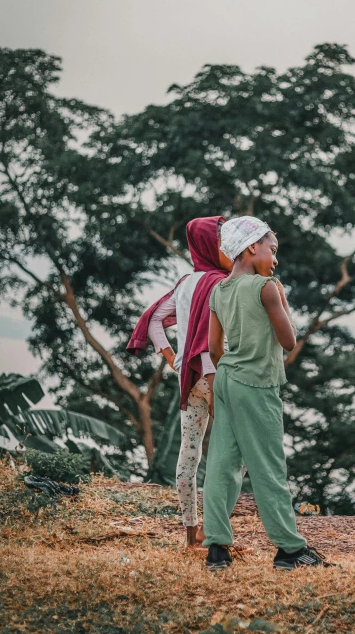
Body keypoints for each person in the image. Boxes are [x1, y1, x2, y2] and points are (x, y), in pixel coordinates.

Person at [203, 216, 333, 570]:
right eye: (271, 250)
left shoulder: (219, 290)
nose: (275, 259)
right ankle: (290, 550)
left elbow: (214, 349)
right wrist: (282, 299)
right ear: (250, 248)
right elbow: (289, 342)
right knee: (269, 467)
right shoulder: (267, 287)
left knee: (222, 465)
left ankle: (217, 548)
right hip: (256, 384)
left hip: (227, 379)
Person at [127, 215, 233, 547]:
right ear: (209, 245)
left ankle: (191, 532)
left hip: (189, 379)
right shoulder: (223, 283)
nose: (228, 248)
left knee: (189, 454)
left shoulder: (186, 282)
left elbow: (155, 319)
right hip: (219, 378)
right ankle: (217, 529)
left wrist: (172, 358)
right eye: (222, 242)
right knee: (232, 456)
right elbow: (216, 340)